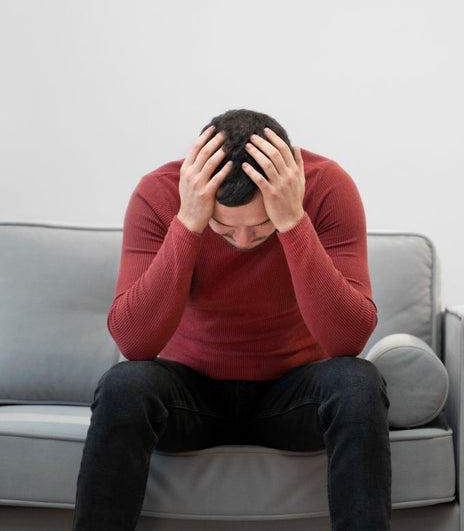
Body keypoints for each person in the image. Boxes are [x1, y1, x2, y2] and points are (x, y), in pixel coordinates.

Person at [72, 109, 391, 531]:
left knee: (358, 381)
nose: (242, 241)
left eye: (260, 228)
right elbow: (135, 343)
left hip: (291, 396)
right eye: (225, 229)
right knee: (122, 385)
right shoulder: (160, 193)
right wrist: (188, 222)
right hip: (190, 397)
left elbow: (347, 339)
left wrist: (293, 222)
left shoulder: (328, 187)